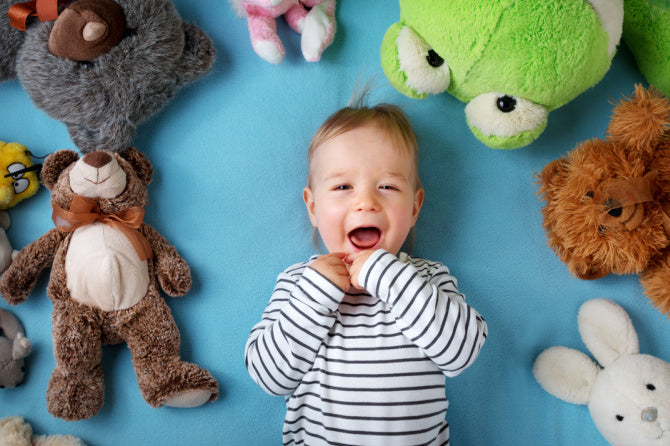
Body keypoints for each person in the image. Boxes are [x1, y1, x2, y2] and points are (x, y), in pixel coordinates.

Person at [244, 92, 488, 446]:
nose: (366, 202)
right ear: (313, 207)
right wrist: (316, 295)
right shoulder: (300, 284)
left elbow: (461, 353)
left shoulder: (428, 279)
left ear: (415, 207)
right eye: (343, 187)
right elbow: (269, 377)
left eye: (387, 186)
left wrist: (386, 274)